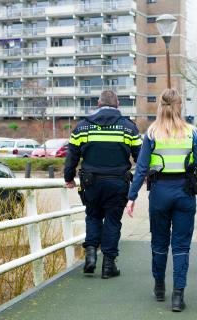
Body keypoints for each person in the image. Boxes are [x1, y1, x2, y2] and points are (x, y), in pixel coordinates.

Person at [125, 88, 197, 312]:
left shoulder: (151, 133)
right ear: (180, 106)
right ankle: (178, 296)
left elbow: (141, 168)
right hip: (184, 193)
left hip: (159, 193)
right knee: (181, 246)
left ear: (160, 106)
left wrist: (131, 198)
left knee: (159, 243)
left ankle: (159, 288)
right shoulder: (193, 133)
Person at [64, 90, 141, 279]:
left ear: (98, 104)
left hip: (91, 183)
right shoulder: (129, 128)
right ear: (118, 105)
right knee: (113, 221)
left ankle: (90, 254)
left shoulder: (82, 127)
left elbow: (71, 156)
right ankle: (108, 265)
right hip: (118, 182)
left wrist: (68, 178)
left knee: (93, 216)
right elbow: (141, 158)